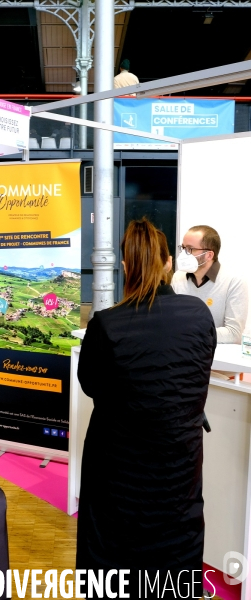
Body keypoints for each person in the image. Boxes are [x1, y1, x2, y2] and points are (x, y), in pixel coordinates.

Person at [76, 219, 216, 599]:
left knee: (112, 561)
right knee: (177, 546)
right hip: (178, 466)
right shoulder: (199, 315)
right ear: (168, 263)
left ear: (125, 267)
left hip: (118, 468)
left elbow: (91, 384)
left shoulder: (107, 324)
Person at [172, 225, 248, 344]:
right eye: (183, 248)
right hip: (180, 352)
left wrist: (189, 332)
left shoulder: (234, 281)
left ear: (209, 255)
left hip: (216, 357)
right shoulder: (178, 277)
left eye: (190, 249)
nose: (184, 254)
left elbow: (234, 334)